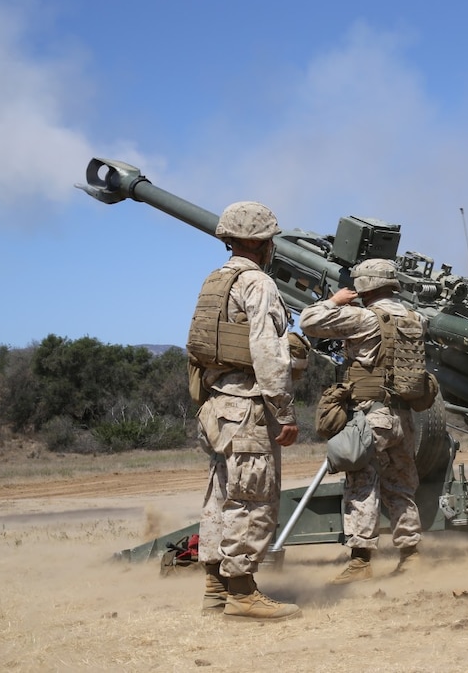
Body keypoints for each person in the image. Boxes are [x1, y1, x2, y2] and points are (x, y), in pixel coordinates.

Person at [189, 201, 301, 620]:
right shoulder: (258, 284)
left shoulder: (216, 281)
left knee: (220, 498)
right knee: (252, 500)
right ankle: (242, 594)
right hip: (249, 408)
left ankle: (215, 591)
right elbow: (268, 352)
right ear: (262, 243)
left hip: (217, 406)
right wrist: (284, 411)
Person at [299, 258, 425, 584]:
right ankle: (410, 555)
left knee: (360, 482)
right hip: (404, 416)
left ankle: (360, 561)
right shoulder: (414, 319)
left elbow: (309, 322)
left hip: (374, 415)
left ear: (365, 285)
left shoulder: (366, 318)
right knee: (400, 486)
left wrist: (334, 301)